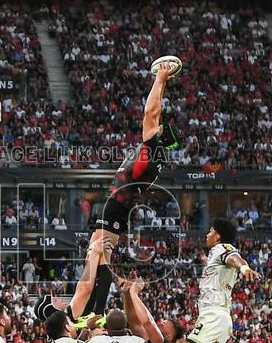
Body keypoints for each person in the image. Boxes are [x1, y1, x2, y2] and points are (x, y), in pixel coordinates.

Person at [35, 60, 181, 324]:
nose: (158, 126)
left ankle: (97, 311)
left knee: (97, 254)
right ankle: (97, 311)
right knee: (100, 256)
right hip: (120, 207)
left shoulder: (151, 149)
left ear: (161, 137)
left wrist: (160, 79)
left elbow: (151, 111)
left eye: (160, 129)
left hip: (116, 206)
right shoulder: (155, 156)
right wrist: (163, 85)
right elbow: (155, 115)